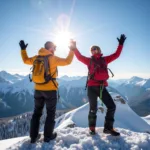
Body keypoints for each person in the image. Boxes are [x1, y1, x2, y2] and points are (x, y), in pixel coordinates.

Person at [19, 40, 76, 143]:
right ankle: (48, 136)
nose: (55, 50)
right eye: (54, 48)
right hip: (50, 90)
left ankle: (33, 137)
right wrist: (72, 49)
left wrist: (23, 50)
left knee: (36, 113)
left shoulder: (37, 57)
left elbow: (25, 60)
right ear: (50, 48)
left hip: (38, 90)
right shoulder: (53, 58)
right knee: (50, 114)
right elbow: (68, 61)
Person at [73, 34, 126, 136]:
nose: (94, 50)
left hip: (101, 87)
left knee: (111, 106)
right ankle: (92, 129)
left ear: (99, 50)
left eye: (95, 49)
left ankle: (108, 128)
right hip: (92, 87)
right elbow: (79, 57)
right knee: (93, 109)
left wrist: (120, 44)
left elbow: (116, 55)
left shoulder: (105, 60)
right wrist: (74, 48)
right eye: (92, 50)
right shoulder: (89, 61)